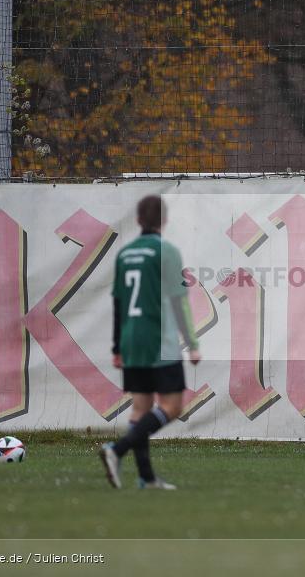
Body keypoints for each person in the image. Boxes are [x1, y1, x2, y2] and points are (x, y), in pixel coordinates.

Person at [100, 195, 201, 489]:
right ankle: (115, 450)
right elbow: (178, 300)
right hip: (159, 339)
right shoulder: (166, 251)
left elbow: (119, 303)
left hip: (131, 340)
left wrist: (117, 347)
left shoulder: (125, 254)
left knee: (140, 409)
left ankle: (146, 477)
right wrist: (192, 343)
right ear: (164, 221)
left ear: (138, 220)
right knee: (172, 406)